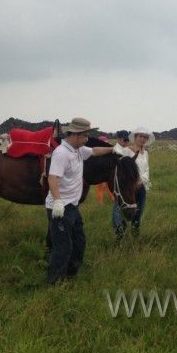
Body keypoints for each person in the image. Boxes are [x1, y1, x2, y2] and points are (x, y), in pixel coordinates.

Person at [45, 117, 115, 285]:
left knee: (79, 241)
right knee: (63, 246)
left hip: (72, 206)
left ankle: (70, 274)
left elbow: (95, 151)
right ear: (76, 134)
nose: (87, 139)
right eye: (85, 136)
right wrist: (57, 202)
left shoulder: (78, 150)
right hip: (60, 207)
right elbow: (52, 178)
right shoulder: (62, 153)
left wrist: (114, 149)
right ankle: (54, 282)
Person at [112, 126, 154, 242]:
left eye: (145, 137)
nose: (143, 139)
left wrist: (141, 181)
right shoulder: (126, 151)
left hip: (141, 187)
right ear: (135, 137)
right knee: (120, 210)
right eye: (140, 136)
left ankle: (135, 235)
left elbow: (146, 169)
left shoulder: (145, 153)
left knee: (138, 212)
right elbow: (121, 168)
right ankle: (119, 235)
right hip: (127, 188)